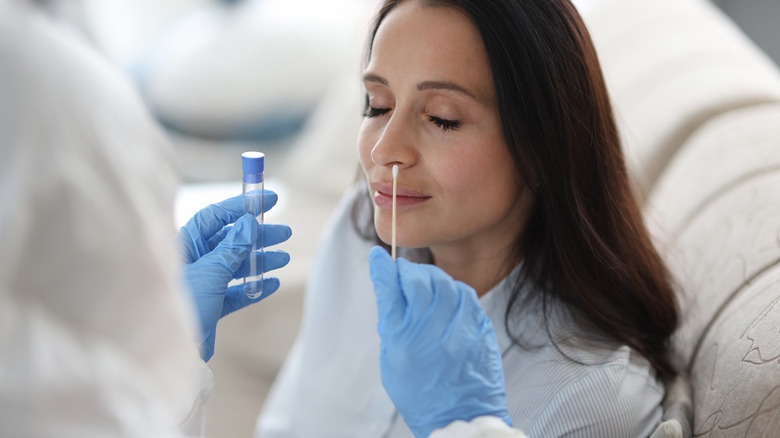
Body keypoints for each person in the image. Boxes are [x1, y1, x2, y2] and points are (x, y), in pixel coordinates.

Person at [257, 0, 679, 437]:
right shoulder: (359, 227)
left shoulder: (594, 397)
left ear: (541, 149)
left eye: (443, 119)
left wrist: (462, 425)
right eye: (378, 105)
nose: (384, 151)